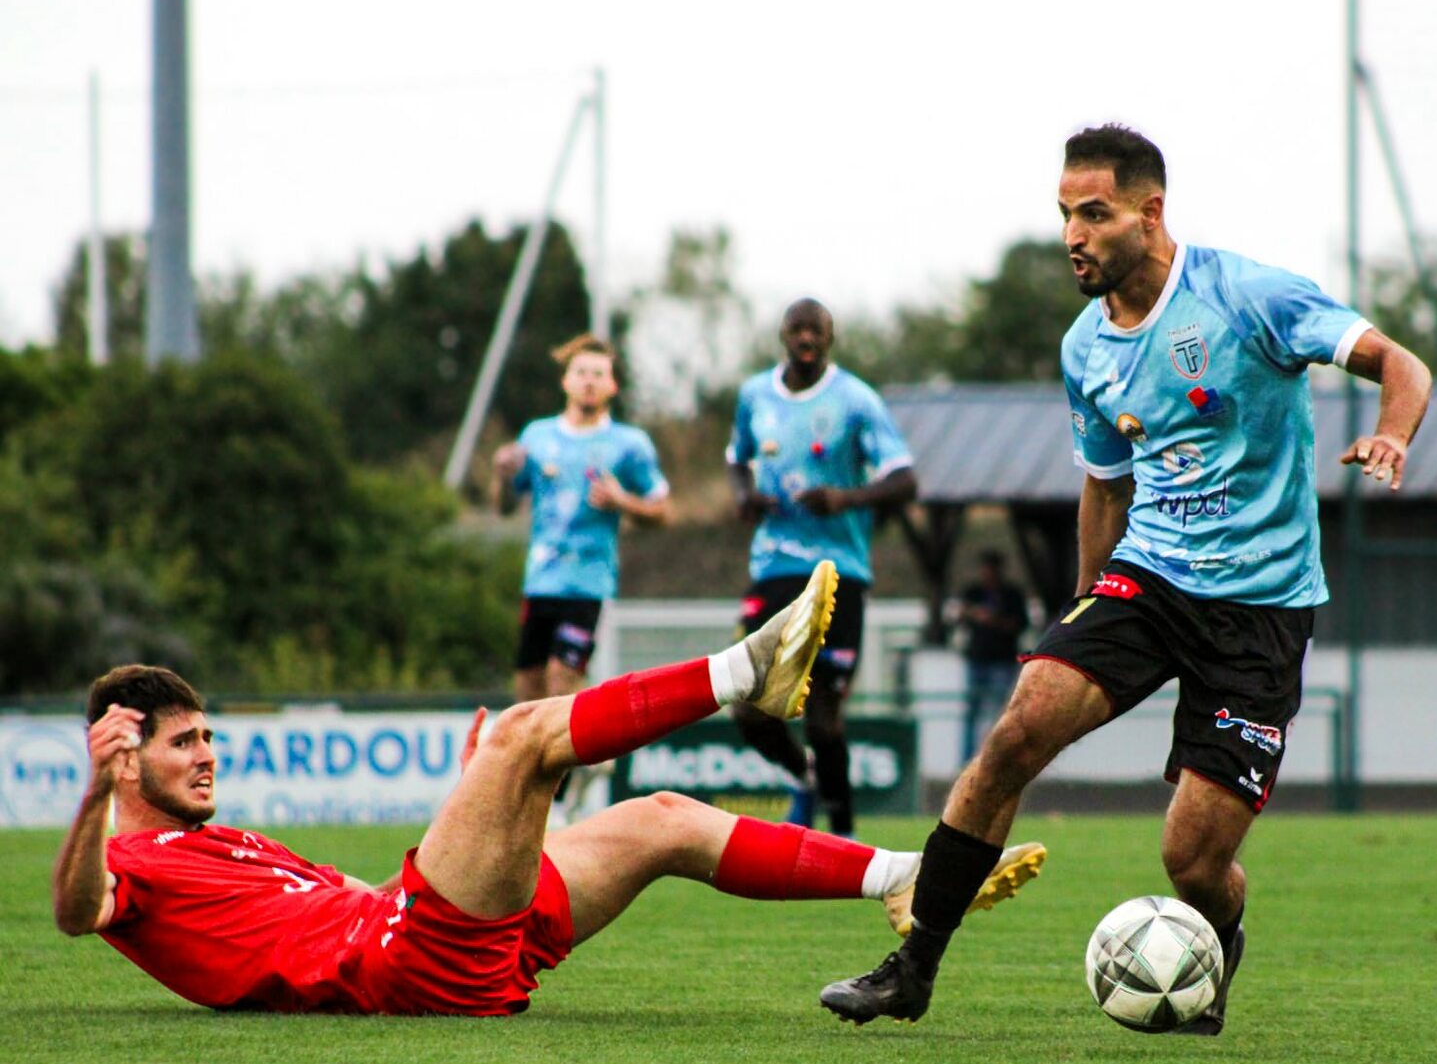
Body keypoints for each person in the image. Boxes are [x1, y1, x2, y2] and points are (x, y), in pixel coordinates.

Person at [821, 123, 1433, 1032]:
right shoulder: (1086, 348)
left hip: (1261, 608)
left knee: (1193, 862)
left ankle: (1218, 938)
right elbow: (1106, 486)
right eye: (1065, 214)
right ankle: (912, 970)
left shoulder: (1248, 297)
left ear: (1150, 214)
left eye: (1094, 214)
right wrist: (1083, 605)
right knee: (1017, 731)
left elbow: (1401, 363)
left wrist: (1391, 433)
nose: (1073, 234)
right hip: (1148, 580)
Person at [52, 563, 1047, 1015]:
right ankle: (745, 674)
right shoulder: (132, 862)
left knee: (661, 819)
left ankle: (900, 879)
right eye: (183, 744)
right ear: (124, 759)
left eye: (208, 736)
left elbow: (349, 907)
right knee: (526, 734)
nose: (207, 755)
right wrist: (93, 799)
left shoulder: (221, 843)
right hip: (416, 962)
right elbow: (75, 913)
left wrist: (466, 814)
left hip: (425, 932)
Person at [726, 298, 918, 837]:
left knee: (824, 714)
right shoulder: (755, 395)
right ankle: (804, 775)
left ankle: (844, 835)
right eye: (797, 329)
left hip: (840, 573)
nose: (806, 338)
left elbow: (905, 480)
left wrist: (845, 498)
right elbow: (736, 459)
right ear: (783, 334)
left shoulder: (856, 400)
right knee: (746, 707)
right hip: (773, 568)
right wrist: (744, 496)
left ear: (830, 337)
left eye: (816, 330)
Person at [491, 333, 669, 822]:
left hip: (588, 584)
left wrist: (623, 501)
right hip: (539, 583)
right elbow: (504, 506)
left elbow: (662, 510)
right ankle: (586, 760)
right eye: (581, 373)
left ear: (612, 385)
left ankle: (557, 802)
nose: (589, 382)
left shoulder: (628, 445)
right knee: (528, 696)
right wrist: (501, 474)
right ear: (566, 380)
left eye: (598, 374)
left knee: (561, 678)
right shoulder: (536, 436)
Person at [956, 550, 1031, 761]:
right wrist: (973, 614)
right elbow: (960, 618)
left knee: (1001, 712)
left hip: (1002, 661)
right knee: (972, 712)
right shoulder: (973, 593)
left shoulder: (1012, 595)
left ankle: (996, 757)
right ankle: (968, 759)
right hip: (977, 659)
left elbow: (1019, 625)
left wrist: (994, 620)